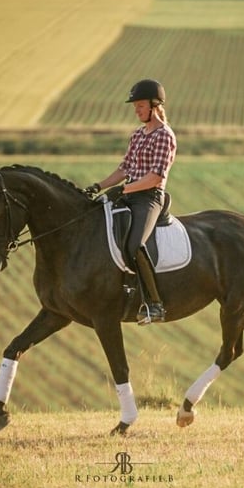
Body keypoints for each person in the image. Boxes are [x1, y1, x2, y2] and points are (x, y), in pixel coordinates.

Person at [84, 79, 177, 325]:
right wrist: (99, 186)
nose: (136, 110)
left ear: (155, 105)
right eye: (135, 106)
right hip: (129, 194)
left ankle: (155, 305)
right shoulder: (137, 135)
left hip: (149, 198)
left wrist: (124, 189)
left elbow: (155, 177)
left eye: (140, 105)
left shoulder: (164, 135)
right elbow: (124, 168)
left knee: (135, 245)